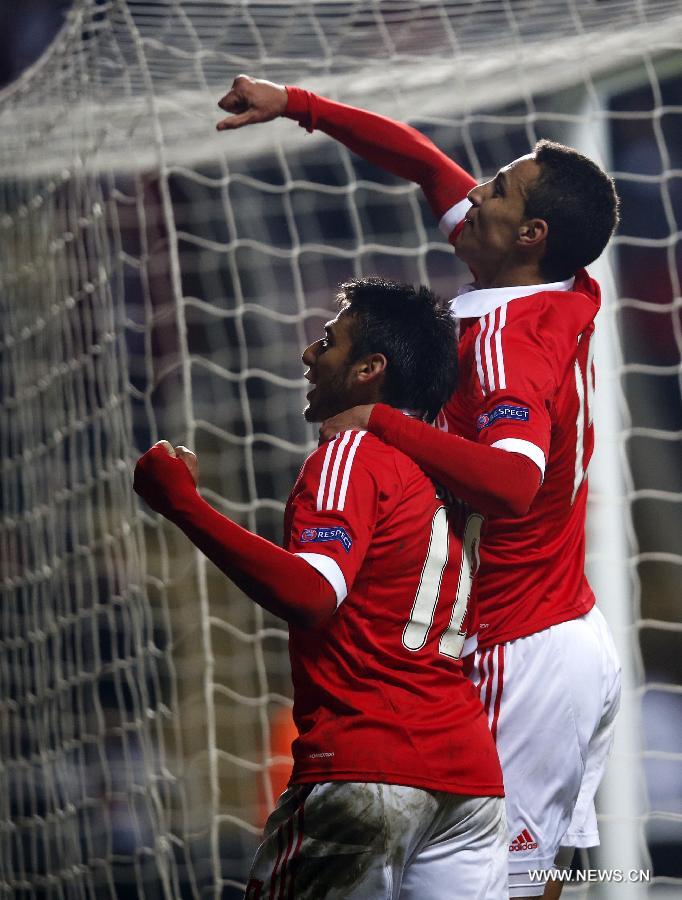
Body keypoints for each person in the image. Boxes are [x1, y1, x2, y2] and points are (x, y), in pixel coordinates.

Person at [215, 77, 623, 899]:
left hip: (523, 645)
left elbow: (511, 481)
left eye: (496, 191)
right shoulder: (545, 283)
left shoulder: (508, 343)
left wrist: (381, 422)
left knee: (503, 888)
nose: (470, 192)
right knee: (529, 885)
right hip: (561, 632)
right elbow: (425, 166)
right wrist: (301, 106)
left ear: (531, 233)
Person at [134, 276, 507, 900]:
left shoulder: (352, 453)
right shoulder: (447, 473)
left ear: (369, 369)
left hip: (370, 765)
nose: (310, 354)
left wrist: (183, 506)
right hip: (469, 783)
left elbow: (312, 593)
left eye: (327, 342)